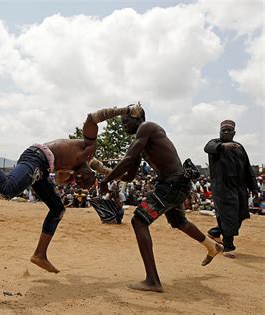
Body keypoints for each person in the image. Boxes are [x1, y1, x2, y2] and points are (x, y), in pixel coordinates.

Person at [0, 103, 142, 273]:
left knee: (58, 209)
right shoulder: (88, 149)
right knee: (6, 189)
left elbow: (107, 171)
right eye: (82, 179)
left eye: (78, 183)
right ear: (88, 171)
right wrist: (124, 110)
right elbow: (91, 118)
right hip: (37, 157)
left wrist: (126, 175)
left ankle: (40, 254)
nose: (78, 181)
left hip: (43, 168)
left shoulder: (76, 169)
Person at [99, 104, 223, 293]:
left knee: (139, 220)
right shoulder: (141, 140)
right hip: (174, 185)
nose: (123, 126)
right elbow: (129, 175)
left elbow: (127, 158)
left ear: (137, 117)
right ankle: (211, 246)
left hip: (172, 184)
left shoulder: (146, 127)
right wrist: (103, 173)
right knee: (180, 222)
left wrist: (105, 179)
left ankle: (152, 281)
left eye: (125, 122)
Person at [204, 120, 259, 258]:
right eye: (224, 131)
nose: (226, 133)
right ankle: (228, 247)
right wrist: (223, 146)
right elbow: (208, 148)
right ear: (220, 132)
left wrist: (254, 187)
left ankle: (216, 232)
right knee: (229, 216)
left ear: (234, 133)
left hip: (240, 187)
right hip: (223, 187)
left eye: (229, 131)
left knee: (240, 214)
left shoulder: (239, 147)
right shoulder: (215, 143)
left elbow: (247, 167)